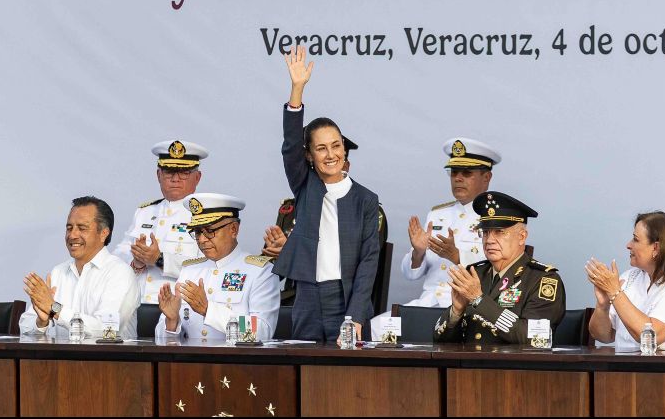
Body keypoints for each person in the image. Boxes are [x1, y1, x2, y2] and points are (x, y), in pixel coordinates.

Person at [272, 45, 380, 343]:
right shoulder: (305, 185)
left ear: (344, 150)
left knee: (345, 378)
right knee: (305, 372)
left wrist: (356, 315)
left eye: (335, 146)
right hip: (307, 296)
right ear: (309, 156)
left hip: (346, 299)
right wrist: (297, 91)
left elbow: (369, 262)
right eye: (321, 148)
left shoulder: (366, 200)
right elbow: (290, 145)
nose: (330, 154)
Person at [371, 137, 499, 340]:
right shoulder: (438, 215)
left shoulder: (496, 220)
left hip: (466, 308)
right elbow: (411, 275)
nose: (458, 178)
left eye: (466, 173)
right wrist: (418, 252)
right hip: (428, 304)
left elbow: (499, 271)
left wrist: (457, 256)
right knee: (376, 329)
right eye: (454, 172)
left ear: (487, 177)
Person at [434, 191, 566, 344]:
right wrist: (456, 312)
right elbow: (439, 342)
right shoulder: (475, 274)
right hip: (466, 366)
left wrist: (479, 300)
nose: (489, 240)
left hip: (512, 367)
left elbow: (534, 338)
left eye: (499, 232)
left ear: (522, 237)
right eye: (485, 232)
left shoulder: (543, 279)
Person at [155, 193, 279, 341]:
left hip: (233, 363)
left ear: (233, 229)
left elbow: (262, 333)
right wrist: (172, 321)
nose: (201, 239)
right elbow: (163, 342)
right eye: (198, 232)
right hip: (188, 362)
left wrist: (209, 310)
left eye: (210, 231)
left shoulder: (260, 272)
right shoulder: (190, 270)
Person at [19, 196, 140, 339]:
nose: (72, 235)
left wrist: (54, 309)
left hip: (112, 360)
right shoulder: (58, 272)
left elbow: (106, 330)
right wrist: (42, 321)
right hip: (62, 359)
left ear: (103, 233)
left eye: (82, 228)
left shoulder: (120, 273)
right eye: (69, 228)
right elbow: (25, 326)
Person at [112, 140, 208, 304]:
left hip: (180, 310)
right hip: (136, 305)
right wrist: (136, 262)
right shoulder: (144, 212)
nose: (175, 179)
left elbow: (209, 268)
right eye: (169, 171)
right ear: (158, 175)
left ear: (197, 177)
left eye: (184, 172)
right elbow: (117, 257)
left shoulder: (207, 215)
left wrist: (160, 259)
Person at [587, 211, 665, 350]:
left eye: (636, 239)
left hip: (660, 371)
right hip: (621, 368)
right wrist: (603, 306)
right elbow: (602, 336)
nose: (628, 245)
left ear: (656, 248)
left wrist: (614, 292)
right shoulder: (628, 277)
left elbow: (649, 336)